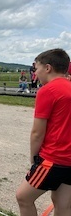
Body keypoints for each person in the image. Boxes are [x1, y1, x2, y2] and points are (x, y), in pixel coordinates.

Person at [16, 48, 71, 216]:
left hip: (55, 158)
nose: (36, 73)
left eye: (36, 68)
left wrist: (34, 159)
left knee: (23, 198)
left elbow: (37, 133)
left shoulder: (48, 90)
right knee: (63, 204)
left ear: (47, 68)